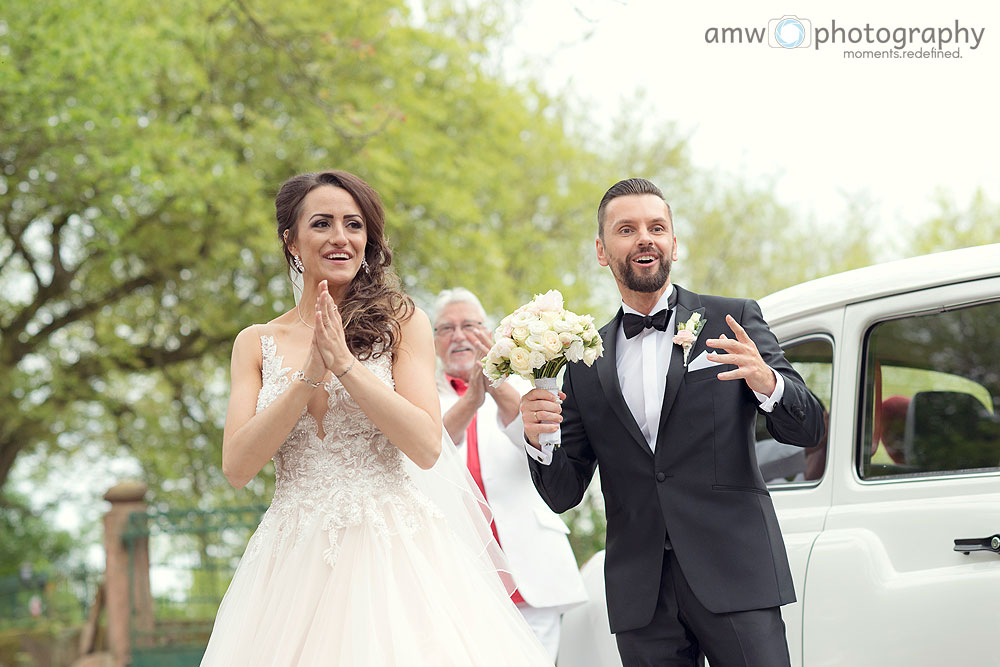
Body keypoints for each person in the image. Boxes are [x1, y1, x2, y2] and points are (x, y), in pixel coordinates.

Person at [201, 170, 552, 666]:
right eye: (322, 223)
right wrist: (309, 374)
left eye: (354, 225)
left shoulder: (402, 321)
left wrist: (344, 365)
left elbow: (428, 447)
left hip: (390, 549)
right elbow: (237, 467)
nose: (340, 237)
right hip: (290, 557)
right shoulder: (254, 342)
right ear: (291, 240)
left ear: (368, 240)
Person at [520, 178, 825, 667]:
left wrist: (768, 381)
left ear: (673, 244)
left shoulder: (735, 319)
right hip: (641, 595)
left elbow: (809, 429)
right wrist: (539, 442)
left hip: (736, 574)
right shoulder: (579, 363)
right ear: (602, 250)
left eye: (656, 227)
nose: (645, 238)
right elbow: (562, 494)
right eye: (627, 229)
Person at [433, 287, 588, 658]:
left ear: (487, 332)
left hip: (529, 570)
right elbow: (429, 453)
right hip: (457, 575)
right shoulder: (422, 394)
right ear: (434, 340)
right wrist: (470, 400)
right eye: (447, 328)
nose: (459, 336)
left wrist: (495, 380)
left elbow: (540, 446)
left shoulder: (525, 384)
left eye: (469, 325)